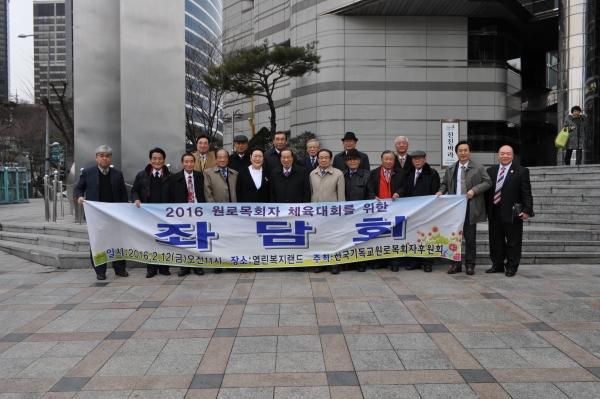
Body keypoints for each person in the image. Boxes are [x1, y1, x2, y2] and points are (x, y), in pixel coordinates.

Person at [437, 140, 491, 275]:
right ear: (456, 153)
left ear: (470, 152)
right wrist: (440, 191)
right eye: (460, 151)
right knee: (454, 237)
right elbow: (444, 184)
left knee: (470, 238)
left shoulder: (478, 168)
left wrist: (474, 190)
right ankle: (455, 264)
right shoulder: (451, 169)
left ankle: (470, 265)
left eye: (465, 150)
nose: (463, 153)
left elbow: (488, 182)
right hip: (454, 208)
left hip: (470, 208)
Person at [75, 145, 129, 281]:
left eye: (107, 156)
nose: (105, 159)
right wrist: (79, 197)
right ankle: (100, 270)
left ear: (110, 158)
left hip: (114, 215)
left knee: (117, 241)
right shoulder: (88, 172)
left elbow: (123, 194)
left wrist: (124, 211)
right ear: (96, 157)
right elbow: (79, 188)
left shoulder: (117, 174)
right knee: (98, 242)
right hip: (96, 216)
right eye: (101, 156)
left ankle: (120, 269)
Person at [485, 145, 533, 277]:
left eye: (508, 154)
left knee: (513, 241)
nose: (505, 156)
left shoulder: (521, 171)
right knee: (495, 240)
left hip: (513, 213)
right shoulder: (491, 171)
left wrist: (527, 210)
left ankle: (512, 266)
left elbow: (526, 193)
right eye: (502, 153)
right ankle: (497, 264)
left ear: (512, 156)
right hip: (494, 211)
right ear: (498, 155)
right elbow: (486, 193)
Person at [131, 147, 172, 278]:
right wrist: (136, 199)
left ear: (164, 160)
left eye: (160, 159)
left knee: (165, 241)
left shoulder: (170, 176)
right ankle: (151, 268)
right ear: (150, 160)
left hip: (165, 215)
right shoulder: (141, 175)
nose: (157, 161)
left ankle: (164, 268)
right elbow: (134, 191)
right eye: (154, 158)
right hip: (147, 214)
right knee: (150, 241)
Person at [168, 153, 207, 277]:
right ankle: (184, 267)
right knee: (184, 239)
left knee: (197, 240)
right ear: (182, 163)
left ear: (194, 163)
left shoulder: (200, 176)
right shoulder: (175, 178)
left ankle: (197, 266)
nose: (189, 164)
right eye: (186, 162)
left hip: (198, 212)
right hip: (182, 213)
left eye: (191, 161)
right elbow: (172, 196)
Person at [309, 148, 345, 273]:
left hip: (332, 213)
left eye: (326, 157)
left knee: (333, 238)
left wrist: (340, 212)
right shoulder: (312, 174)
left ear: (331, 159)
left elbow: (341, 196)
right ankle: (320, 263)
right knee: (318, 238)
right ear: (317, 159)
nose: (323, 160)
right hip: (316, 212)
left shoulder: (338, 174)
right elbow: (311, 193)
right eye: (321, 157)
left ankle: (334, 264)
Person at [405, 150, 440, 273]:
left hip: (427, 212)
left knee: (427, 237)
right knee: (414, 237)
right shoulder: (408, 173)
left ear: (425, 160)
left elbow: (435, 193)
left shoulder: (433, 174)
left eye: (420, 158)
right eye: (415, 159)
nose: (417, 161)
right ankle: (416, 261)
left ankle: (428, 262)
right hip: (412, 212)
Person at [371, 150, 407, 272]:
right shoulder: (374, 173)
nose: (388, 162)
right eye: (385, 159)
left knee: (394, 236)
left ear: (394, 160)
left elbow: (405, 187)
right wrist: (373, 196)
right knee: (380, 235)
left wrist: (398, 193)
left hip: (395, 209)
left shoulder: (401, 173)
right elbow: (370, 188)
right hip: (379, 210)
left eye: (391, 159)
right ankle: (380, 260)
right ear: (381, 160)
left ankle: (394, 262)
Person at [204, 149, 238, 274]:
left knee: (230, 238)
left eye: (225, 157)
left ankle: (229, 262)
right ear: (216, 159)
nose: (223, 160)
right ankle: (218, 263)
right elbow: (208, 193)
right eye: (220, 157)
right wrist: (214, 210)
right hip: (217, 213)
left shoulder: (235, 173)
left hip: (233, 213)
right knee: (217, 238)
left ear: (228, 159)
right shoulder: (208, 173)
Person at [343, 149, 375, 274]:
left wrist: (364, 210)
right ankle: (349, 262)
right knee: (347, 238)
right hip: (346, 213)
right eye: (349, 160)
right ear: (346, 162)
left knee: (361, 239)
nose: (352, 162)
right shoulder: (343, 175)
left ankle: (361, 262)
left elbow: (371, 195)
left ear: (359, 161)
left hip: (362, 213)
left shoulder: (367, 175)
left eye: (355, 159)